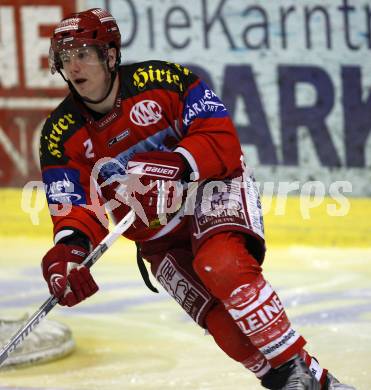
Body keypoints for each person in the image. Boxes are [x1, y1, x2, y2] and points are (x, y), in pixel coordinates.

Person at [39, 8, 355, 390]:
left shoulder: (165, 81)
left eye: (84, 53)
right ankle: (309, 383)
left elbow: (221, 138)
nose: (74, 66)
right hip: (154, 233)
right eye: (66, 57)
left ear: (110, 55)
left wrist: (178, 164)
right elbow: (72, 205)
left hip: (210, 190)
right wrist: (69, 255)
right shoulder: (60, 134)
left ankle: (292, 365)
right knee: (219, 321)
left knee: (220, 264)